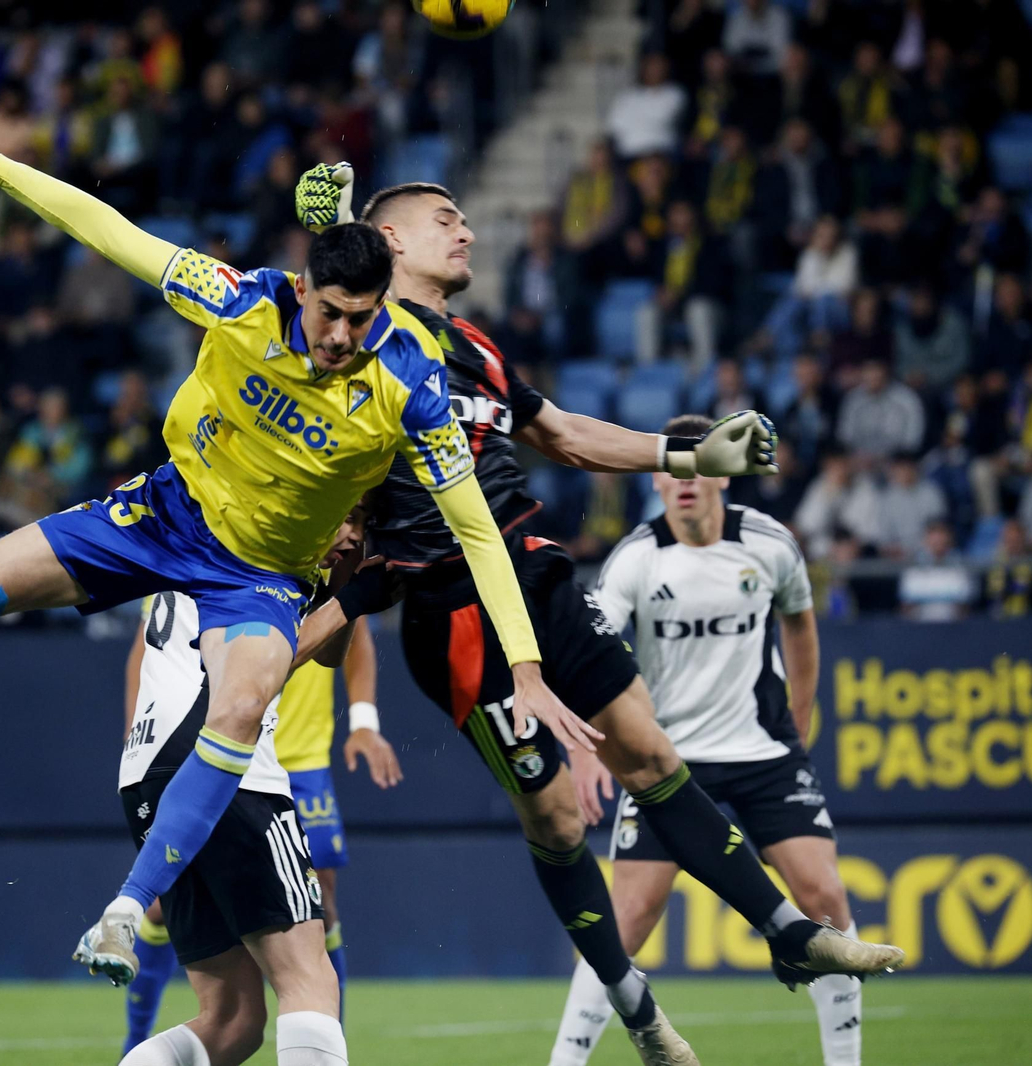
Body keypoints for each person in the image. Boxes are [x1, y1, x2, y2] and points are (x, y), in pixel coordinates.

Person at [0, 80, 585, 1057]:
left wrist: (524, 666)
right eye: (332, 315)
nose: (344, 338)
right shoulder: (238, 298)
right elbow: (110, 231)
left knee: (235, 715)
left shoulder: (410, 384)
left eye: (362, 318)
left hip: (259, 578)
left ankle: (124, 907)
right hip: (160, 513)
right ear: (302, 286)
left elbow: (478, 532)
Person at [293, 167, 902, 1063]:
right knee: (559, 821)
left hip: (534, 573)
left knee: (652, 752)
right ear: (389, 246)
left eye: (465, 217)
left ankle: (785, 932)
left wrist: (686, 449)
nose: (465, 231)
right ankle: (636, 1007)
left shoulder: (478, 348)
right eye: (444, 219)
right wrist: (325, 226)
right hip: (453, 606)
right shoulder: (360, 333)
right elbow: (307, 307)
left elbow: (568, 435)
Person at [551, 414, 865, 1066]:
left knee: (826, 898)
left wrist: (799, 725)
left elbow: (801, 625)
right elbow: (582, 654)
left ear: (721, 473)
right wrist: (584, 751)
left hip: (762, 755)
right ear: (657, 482)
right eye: (670, 467)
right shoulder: (636, 560)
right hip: (668, 763)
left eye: (697, 465)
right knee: (624, 921)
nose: (684, 479)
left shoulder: (770, 543)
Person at [118, 507, 396, 1058]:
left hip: (147, 769)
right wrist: (357, 597)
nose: (354, 531)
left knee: (233, 1018)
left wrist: (344, 589)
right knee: (309, 979)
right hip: (227, 762)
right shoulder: (274, 539)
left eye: (362, 520)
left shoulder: (204, 530)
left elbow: (334, 652)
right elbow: (264, 665)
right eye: (344, 514)